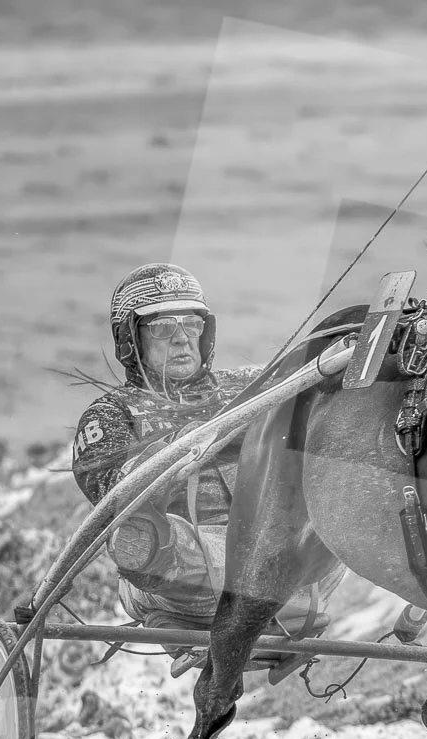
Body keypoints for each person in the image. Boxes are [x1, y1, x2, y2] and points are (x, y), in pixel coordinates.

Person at [70, 262, 340, 677]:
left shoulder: (250, 385)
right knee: (133, 536)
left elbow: (321, 391)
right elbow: (115, 499)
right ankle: (236, 608)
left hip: (275, 560)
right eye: (162, 328)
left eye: (192, 325)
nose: (181, 338)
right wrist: (187, 444)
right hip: (183, 581)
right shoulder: (110, 416)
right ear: (130, 341)